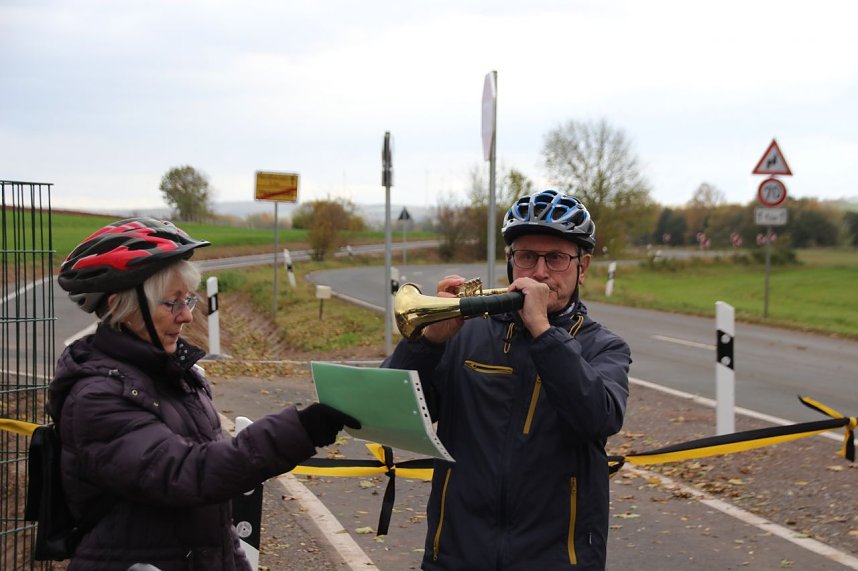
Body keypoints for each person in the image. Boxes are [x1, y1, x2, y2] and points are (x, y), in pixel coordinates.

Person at [49, 217, 358, 571]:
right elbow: (187, 474)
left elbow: (215, 523)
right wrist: (299, 430)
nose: (185, 317)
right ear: (123, 307)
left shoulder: (174, 377)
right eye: (172, 303)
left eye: (189, 301)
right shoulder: (97, 397)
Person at [383, 189, 632, 570]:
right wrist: (429, 343)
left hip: (558, 560)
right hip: (456, 556)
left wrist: (543, 333)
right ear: (510, 262)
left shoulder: (604, 347)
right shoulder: (464, 333)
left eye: (557, 258)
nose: (540, 272)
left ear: (583, 267)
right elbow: (390, 414)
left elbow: (597, 418)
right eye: (527, 256)